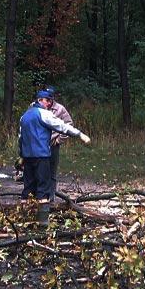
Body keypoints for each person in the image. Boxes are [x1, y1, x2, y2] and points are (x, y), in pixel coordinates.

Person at [19, 89, 90, 225]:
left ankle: (22, 220)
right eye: (48, 101)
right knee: (43, 188)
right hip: (41, 157)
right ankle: (43, 223)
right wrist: (79, 134)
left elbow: (20, 138)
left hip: (28, 157)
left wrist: (21, 155)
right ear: (40, 101)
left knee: (27, 188)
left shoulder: (24, 116)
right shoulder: (43, 114)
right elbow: (62, 126)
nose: (50, 104)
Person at [45, 85, 73, 203]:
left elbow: (69, 125)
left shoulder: (60, 109)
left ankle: (51, 197)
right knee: (38, 170)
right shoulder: (36, 106)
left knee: (52, 172)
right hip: (38, 145)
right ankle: (38, 196)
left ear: (53, 98)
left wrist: (59, 140)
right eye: (46, 97)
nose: (48, 100)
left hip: (52, 144)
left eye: (50, 98)